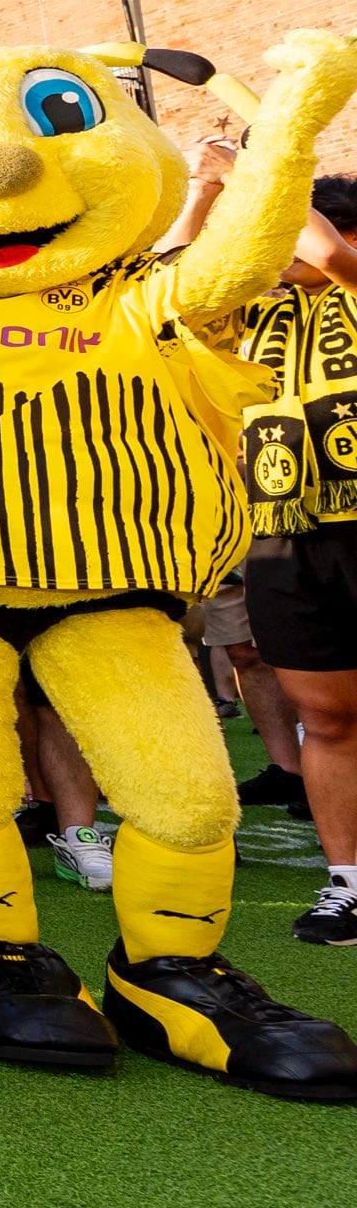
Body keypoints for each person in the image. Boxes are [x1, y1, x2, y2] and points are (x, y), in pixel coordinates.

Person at [232, 171, 357, 942]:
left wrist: (272, 165)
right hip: (281, 530)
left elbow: (334, 257)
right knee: (329, 720)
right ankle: (348, 880)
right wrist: (212, 190)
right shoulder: (257, 308)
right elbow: (175, 281)